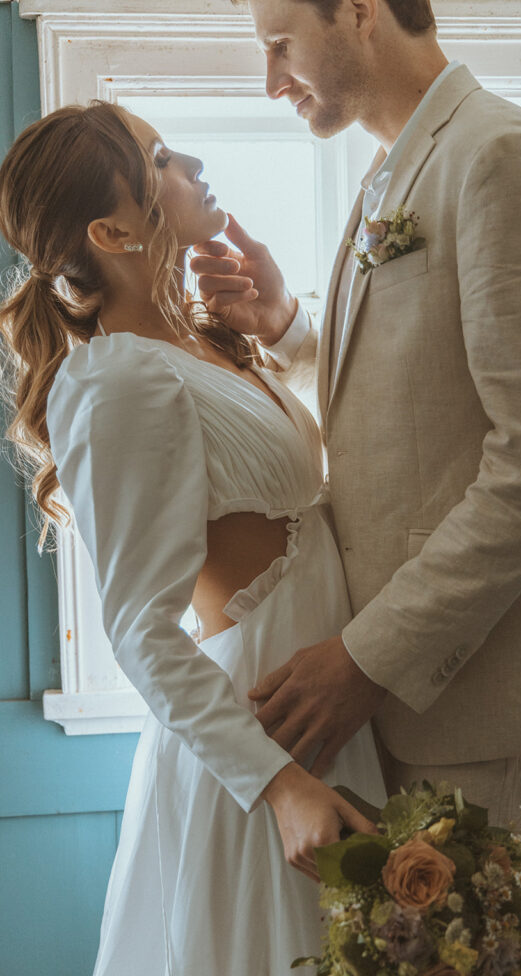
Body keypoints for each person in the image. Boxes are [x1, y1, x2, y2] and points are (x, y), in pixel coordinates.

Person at [191, 0, 521, 854]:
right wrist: (285, 329)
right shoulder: (389, 176)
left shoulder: (500, 158)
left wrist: (365, 656)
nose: (271, 81)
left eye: (281, 46)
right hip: (390, 697)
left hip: (472, 689)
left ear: (358, 9)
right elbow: (407, 412)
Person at [0, 100, 386, 975]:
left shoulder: (202, 343)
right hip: (268, 750)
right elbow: (138, 629)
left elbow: (340, 455)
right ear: (113, 228)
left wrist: (280, 325)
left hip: (330, 703)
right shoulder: (118, 382)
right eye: (164, 158)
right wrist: (278, 786)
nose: (193, 165)